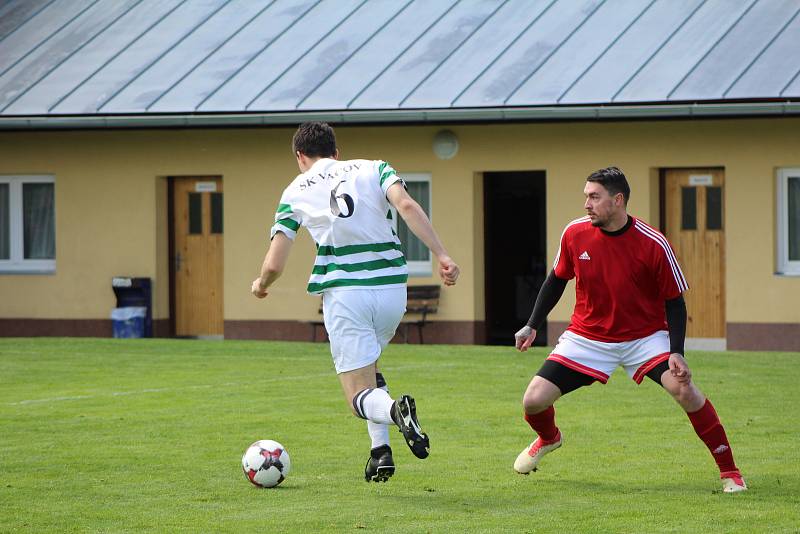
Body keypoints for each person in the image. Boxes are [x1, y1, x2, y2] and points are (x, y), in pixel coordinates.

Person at [513, 167, 746, 493]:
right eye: (586, 196)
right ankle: (549, 438)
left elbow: (675, 302)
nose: (587, 204)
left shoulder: (654, 243)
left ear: (618, 200)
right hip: (588, 337)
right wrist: (532, 325)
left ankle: (730, 472)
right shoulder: (574, 233)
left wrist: (676, 351)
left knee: (685, 390)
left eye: (594, 197)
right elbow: (555, 281)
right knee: (533, 401)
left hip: (646, 338)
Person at [251, 122, 459, 483]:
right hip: (393, 291)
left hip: (348, 294)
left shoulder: (294, 191)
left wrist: (260, 284)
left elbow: (275, 263)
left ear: (300, 156)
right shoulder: (373, 167)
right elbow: (407, 205)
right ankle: (380, 454)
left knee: (356, 397)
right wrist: (441, 255)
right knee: (370, 368)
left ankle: (397, 411)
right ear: (336, 152)